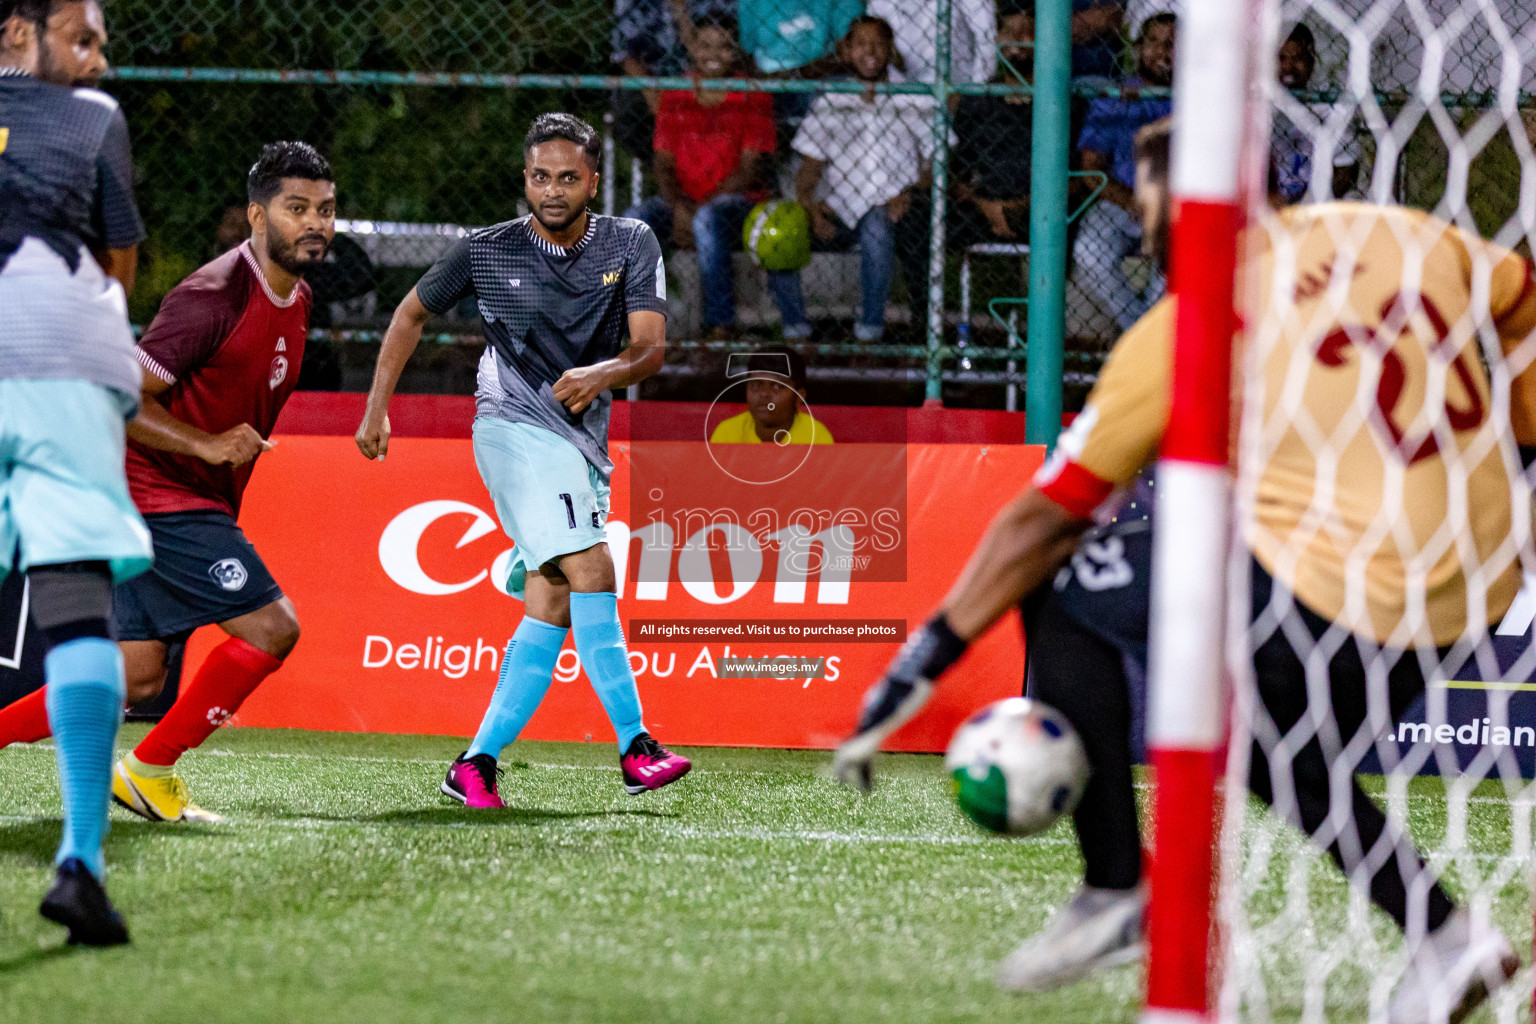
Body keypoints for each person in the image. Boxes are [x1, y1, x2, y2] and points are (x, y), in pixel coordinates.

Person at [832, 117, 1535, 1018]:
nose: (1145, 222)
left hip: (1348, 584)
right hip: (1480, 579)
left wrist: (922, 658)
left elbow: (1042, 520)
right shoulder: (1388, 229)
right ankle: (1445, 937)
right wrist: (1521, 444)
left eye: (1150, 200)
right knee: (1264, 745)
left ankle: (1116, 885)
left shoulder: (1186, 326)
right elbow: (1522, 302)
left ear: (1174, 205)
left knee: (1067, 580)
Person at [355, 113, 692, 807]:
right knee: (593, 567)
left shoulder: (631, 242)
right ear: (526, 180)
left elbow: (651, 350)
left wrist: (601, 375)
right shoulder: (487, 250)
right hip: (510, 427)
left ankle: (474, 765)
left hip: (579, 440)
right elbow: (408, 315)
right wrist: (375, 407)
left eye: (569, 177)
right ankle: (636, 747)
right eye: (541, 177)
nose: (553, 190)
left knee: (554, 597)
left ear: (593, 181)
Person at [0, 143, 336, 828]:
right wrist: (208, 446)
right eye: (296, 208)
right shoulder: (213, 296)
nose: (315, 223)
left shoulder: (297, 296)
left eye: (326, 210)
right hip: (157, 496)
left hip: (183, 497)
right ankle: (151, 771)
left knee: (133, 677)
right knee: (272, 629)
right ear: (255, 214)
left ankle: (145, 778)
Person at [0, 0, 149, 945]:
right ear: (18, 30)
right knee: (75, 598)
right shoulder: (95, 116)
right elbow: (120, 259)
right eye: (83, 37)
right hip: (59, 346)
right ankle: (81, 864)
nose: (97, 60)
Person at [623, 15, 786, 341]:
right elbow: (663, 163)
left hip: (737, 205)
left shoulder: (752, 95)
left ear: (736, 51)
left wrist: (695, 212)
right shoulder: (677, 94)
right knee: (633, 221)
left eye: (723, 46)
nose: (713, 53)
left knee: (709, 221)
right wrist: (679, 206)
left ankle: (719, 326)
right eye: (705, 45)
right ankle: (632, 324)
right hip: (683, 201)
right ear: (692, 48)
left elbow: (748, 169)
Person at [782, 16, 933, 342]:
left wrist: (911, 189)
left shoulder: (913, 95)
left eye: (878, 43)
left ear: (890, 49)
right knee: (780, 230)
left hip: (897, 208)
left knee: (877, 223)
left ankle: (869, 333)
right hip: (843, 206)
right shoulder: (831, 100)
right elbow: (809, 166)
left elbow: (938, 159)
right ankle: (796, 332)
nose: (871, 51)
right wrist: (808, 205)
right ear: (847, 51)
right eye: (861, 43)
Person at [897, 4, 1036, 329]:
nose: (1018, 38)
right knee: (915, 216)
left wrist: (1019, 207)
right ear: (997, 39)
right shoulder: (978, 99)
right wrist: (985, 205)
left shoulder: (1063, 99)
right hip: (981, 209)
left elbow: (1075, 180)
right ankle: (926, 331)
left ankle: (1042, 336)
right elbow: (955, 170)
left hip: (1039, 212)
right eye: (1009, 31)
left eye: (1027, 31)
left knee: (1063, 221)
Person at [1071, 11, 1174, 332]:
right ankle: (1140, 332)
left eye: (1172, 44)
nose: (1162, 51)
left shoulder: (1201, 96)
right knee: (1089, 249)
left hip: (1174, 207)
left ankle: (1147, 337)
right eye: (1153, 42)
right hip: (1122, 202)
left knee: (1180, 259)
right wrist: (1130, 200)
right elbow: (1091, 170)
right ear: (1138, 48)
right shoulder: (1116, 94)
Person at [610, 0, 737, 162]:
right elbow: (624, 52)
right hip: (653, 80)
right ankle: (662, 170)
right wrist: (651, 92)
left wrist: (681, 12)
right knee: (630, 106)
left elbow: (720, 44)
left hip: (704, 79)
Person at [1272, 23, 1364, 204]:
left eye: (1298, 58)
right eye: (1281, 58)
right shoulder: (1260, 107)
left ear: (1311, 61)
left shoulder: (1330, 106)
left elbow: (1345, 170)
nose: (1289, 67)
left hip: (1319, 205)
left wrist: (1310, 207)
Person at [709, 346, 833, 444]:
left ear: (799, 396)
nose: (763, 394)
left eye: (777, 386)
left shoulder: (816, 437)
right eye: (756, 385)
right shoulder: (728, 433)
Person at [865, 0, 996, 87]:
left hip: (956, 90)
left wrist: (973, 91)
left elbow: (987, 38)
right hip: (900, 92)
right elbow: (876, 40)